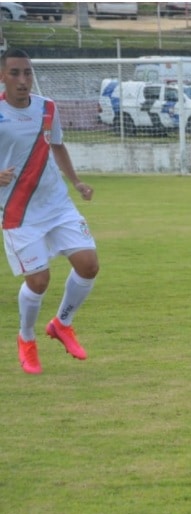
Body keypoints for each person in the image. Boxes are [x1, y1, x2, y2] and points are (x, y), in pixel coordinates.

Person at [0, 49, 99, 375]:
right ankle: (26, 338)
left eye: (27, 73)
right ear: (2, 77)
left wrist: (76, 182)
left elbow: (56, 145)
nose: (22, 80)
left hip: (56, 204)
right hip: (18, 211)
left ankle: (61, 323)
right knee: (39, 281)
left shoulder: (48, 108)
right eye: (14, 73)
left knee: (88, 264)